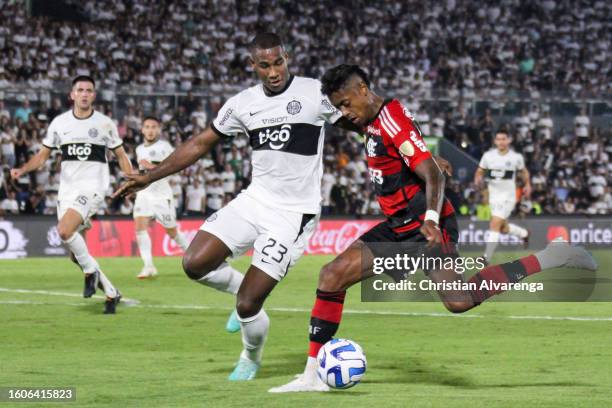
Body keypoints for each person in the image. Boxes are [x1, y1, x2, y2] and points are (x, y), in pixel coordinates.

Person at [270, 64, 598, 393]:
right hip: (399, 226)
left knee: (459, 300)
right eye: (338, 105)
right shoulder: (372, 120)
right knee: (331, 275)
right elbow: (368, 132)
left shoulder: (391, 119)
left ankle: (551, 256)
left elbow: (434, 175)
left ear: (363, 90)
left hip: (425, 227)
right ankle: (310, 377)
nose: (344, 111)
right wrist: (317, 107)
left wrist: (430, 217)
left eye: (346, 103)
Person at [10, 75, 132, 314]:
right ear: (72, 95)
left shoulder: (105, 123)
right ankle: (111, 292)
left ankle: (90, 272)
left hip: (93, 187)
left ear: (94, 95)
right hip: (67, 191)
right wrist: (23, 169)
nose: (85, 94)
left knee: (64, 230)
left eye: (89, 90)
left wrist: (131, 179)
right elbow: (43, 156)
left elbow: (120, 155)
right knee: (76, 255)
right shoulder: (60, 123)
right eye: (81, 90)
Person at [133, 116, 190, 279]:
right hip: (144, 194)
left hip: (161, 196)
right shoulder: (139, 149)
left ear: (159, 130)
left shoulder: (165, 147)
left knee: (172, 232)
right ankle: (148, 266)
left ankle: (195, 257)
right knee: (139, 227)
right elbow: (143, 173)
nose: (150, 130)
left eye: (153, 127)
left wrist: (150, 166)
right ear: (142, 130)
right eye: (147, 127)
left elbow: (174, 168)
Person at [474, 130, 530, 263]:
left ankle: (486, 258)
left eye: (504, 139)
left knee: (495, 223)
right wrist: (477, 179)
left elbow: (523, 171)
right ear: (495, 141)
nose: (501, 142)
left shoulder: (516, 157)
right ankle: (524, 233)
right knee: (502, 228)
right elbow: (480, 171)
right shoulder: (488, 156)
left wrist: (528, 184)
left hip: (508, 196)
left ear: (509, 140)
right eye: (498, 139)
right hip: (493, 196)